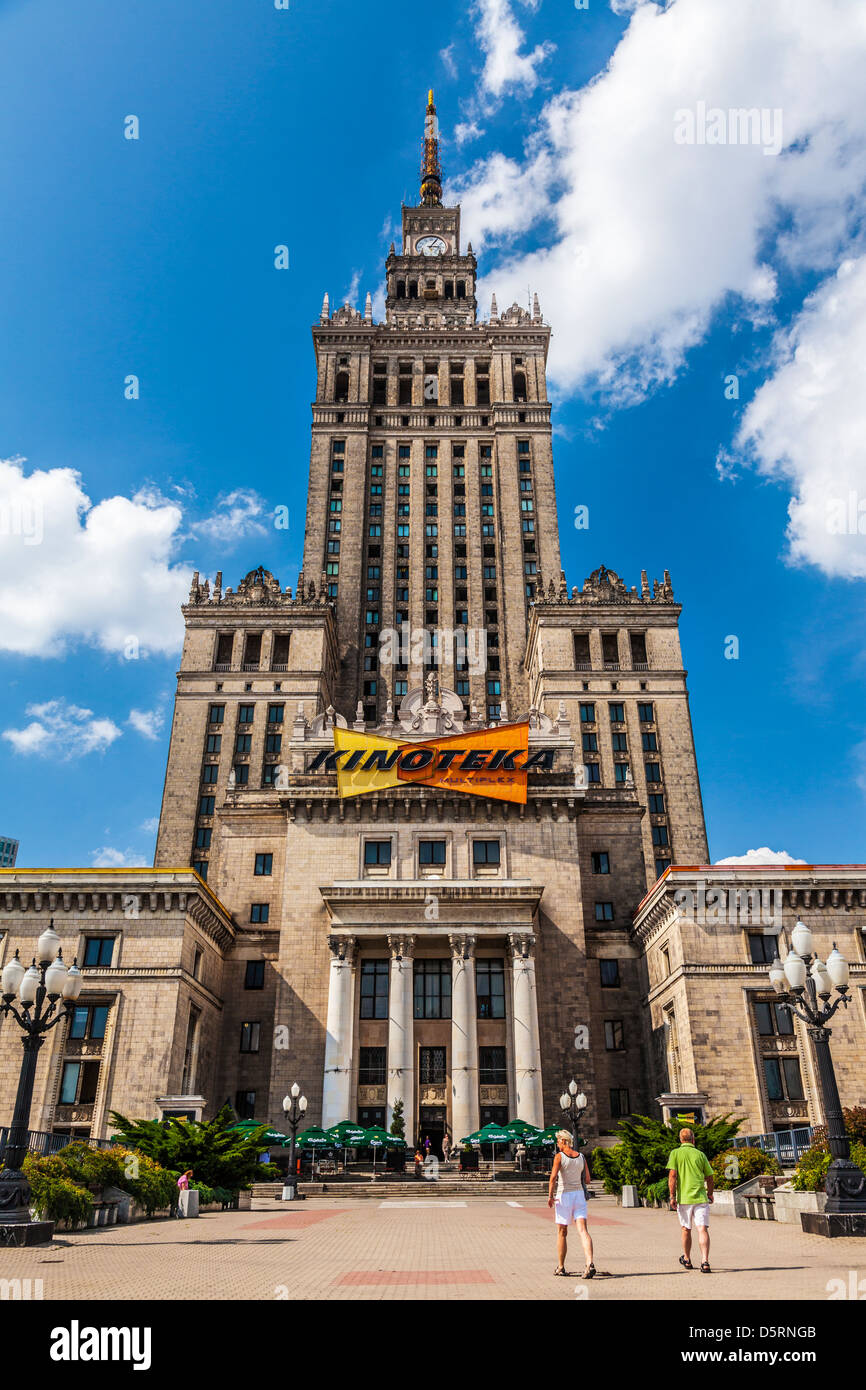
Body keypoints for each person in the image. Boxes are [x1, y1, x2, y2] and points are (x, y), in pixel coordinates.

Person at [548, 1130, 594, 1278]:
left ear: (563, 1141)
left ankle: (561, 1267)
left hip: (564, 1195)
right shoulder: (581, 1156)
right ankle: (589, 1263)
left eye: (558, 1141)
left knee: (562, 1232)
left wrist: (550, 1196)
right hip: (579, 1195)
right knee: (583, 1231)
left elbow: (553, 1177)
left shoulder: (559, 1157)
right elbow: (587, 1179)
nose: (557, 1143)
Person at [667, 1127, 714, 1273]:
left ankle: (687, 1259)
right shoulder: (700, 1154)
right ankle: (705, 1261)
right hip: (700, 1197)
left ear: (681, 1139)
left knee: (686, 1229)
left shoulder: (675, 1153)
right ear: (693, 1139)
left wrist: (672, 1196)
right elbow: (710, 1177)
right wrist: (710, 1193)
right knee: (702, 1229)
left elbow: (673, 1176)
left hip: (684, 1198)